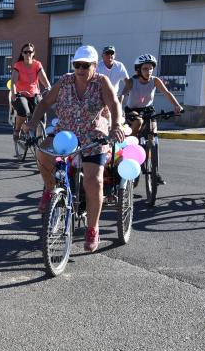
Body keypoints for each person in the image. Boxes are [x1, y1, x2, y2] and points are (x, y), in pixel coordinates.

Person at [23, 45, 125, 253]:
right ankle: (51, 189)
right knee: (43, 152)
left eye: (85, 65)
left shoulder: (101, 82)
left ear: (94, 66)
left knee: (93, 180)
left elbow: (114, 104)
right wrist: (32, 123)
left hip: (93, 135)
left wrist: (115, 126)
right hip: (66, 134)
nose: (80, 69)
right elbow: (44, 103)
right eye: (77, 65)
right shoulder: (65, 81)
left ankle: (92, 229)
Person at [120, 54, 183, 185]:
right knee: (139, 122)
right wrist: (119, 110)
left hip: (148, 110)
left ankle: (155, 171)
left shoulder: (155, 81)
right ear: (138, 70)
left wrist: (177, 105)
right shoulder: (132, 81)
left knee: (153, 137)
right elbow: (122, 95)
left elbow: (167, 93)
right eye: (145, 69)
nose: (148, 71)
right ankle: (132, 146)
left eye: (150, 68)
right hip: (133, 111)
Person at [9, 43, 51, 141]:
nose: (28, 54)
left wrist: (48, 88)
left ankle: (39, 138)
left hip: (35, 94)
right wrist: (14, 94)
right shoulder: (18, 65)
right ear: (22, 54)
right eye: (25, 52)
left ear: (33, 53)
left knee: (42, 111)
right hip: (21, 95)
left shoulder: (37, 65)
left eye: (30, 52)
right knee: (24, 110)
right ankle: (18, 129)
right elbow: (13, 83)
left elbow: (44, 80)